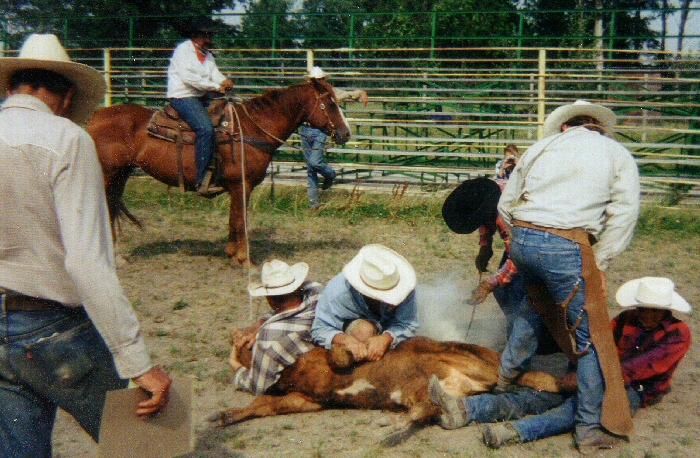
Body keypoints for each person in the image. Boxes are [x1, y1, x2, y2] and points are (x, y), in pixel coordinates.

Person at [0, 34, 171, 457]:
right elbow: (86, 262)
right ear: (66, 94)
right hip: (51, 325)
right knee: (148, 442)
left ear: (11, 86)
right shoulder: (67, 140)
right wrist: (137, 361)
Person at [497, 100, 641, 448]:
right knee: (591, 341)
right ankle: (589, 430)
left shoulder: (541, 146)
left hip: (524, 237)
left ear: (566, 126)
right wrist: (601, 260)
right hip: (566, 244)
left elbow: (505, 203)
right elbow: (625, 212)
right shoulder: (616, 153)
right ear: (598, 127)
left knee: (537, 307)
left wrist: (521, 236)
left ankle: (503, 380)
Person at [428, 276, 691, 453]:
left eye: (653, 310)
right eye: (643, 308)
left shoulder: (677, 334)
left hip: (633, 388)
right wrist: (575, 371)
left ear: (665, 310)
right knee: (537, 395)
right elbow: (590, 345)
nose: (647, 314)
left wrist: (589, 378)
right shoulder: (624, 320)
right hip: (599, 373)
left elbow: (639, 368)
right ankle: (466, 408)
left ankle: (515, 431)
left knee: (576, 408)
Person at [228, 260, 322, 395]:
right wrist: (261, 324)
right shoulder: (316, 292)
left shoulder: (269, 336)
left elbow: (259, 387)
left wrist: (236, 366)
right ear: (297, 286)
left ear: (269, 298)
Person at [311, 244, 418, 362]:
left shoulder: (403, 287)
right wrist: (345, 340)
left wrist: (387, 338)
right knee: (364, 331)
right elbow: (320, 328)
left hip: (389, 328)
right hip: (356, 330)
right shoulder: (338, 291)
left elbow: (409, 323)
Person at [167, 19, 234, 196]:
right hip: (182, 96)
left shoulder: (207, 55)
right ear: (195, 36)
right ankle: (201, 180)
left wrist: (223, 81)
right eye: (206, 35)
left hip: (200, 96)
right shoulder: (183, 51)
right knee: (205, 128)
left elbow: (214, 73)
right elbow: (190, 79)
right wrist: (217, 87)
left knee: (228, 118)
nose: (209, 38)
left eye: (210, 35)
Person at [300, 66, 369, 209]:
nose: (318, 82)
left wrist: (361, 92)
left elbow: (348, 94)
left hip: (319, 131)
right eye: (316, 80)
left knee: (314, 162)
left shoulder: (329, 92)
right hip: (306, 129)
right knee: (311, 168)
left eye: (320, 80)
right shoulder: (306, 93)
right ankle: (313, 204)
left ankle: (330, 174)